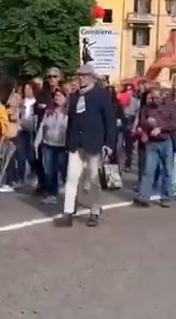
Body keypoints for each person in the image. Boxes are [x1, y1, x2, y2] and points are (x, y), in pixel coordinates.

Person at [56, 63, 117, 228]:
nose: (81, 78)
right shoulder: (75, 96)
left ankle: (95, 211)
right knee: (71, 177)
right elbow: (71, 121)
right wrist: (69, 142)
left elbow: (110, 121)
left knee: (94, 179)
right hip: (76, 143)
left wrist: (109, 143)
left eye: (84, 75)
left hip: (95, 143)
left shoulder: (101, 95)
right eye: (79, 75)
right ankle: (68, 212)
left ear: (91, 77)